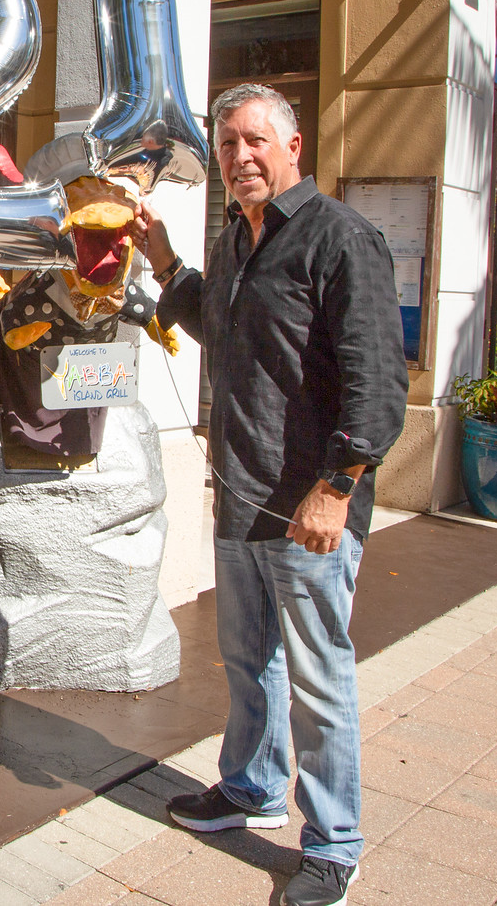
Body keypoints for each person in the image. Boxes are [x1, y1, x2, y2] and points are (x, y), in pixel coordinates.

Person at [135, 83, 407, 906]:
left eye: (256, 141)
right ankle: (249, 786)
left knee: (319, 680)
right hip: (243, 491)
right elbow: (219, 325)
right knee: (249, 662)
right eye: (227, 145)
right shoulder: (235, 241)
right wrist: (161, 263)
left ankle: (333, 843)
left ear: (294, 147)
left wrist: (337, 485)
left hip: (308, 506)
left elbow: (377, 383)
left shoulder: (341, 239)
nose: (240, 157)